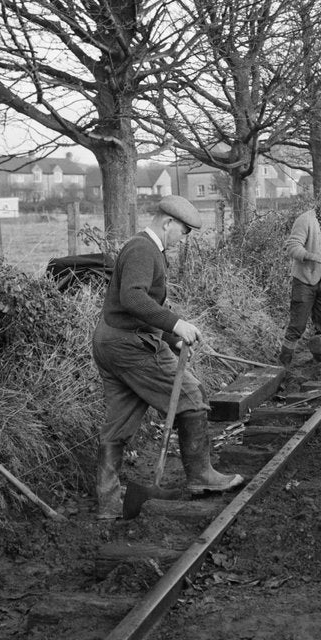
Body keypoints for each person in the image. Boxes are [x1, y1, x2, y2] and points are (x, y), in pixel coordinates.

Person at [91, 195, 243, 520]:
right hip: (131, 346)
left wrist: (172, 336)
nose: (183, 238)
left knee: (117, 424)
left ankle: (108, 503)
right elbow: (132, 297)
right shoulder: (143, 249)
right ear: (168, 222)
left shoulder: (145, 249)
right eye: (184, 231)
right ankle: (202, 475)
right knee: (191, 396)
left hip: (112, 341)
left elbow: (137, 306)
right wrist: (175, 323)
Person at [279, 186, 321, 366]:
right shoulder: (305, 220)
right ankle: (283, 364)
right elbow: (292, 247)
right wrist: (314, 256)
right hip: (305, 280)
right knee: (298, 325)